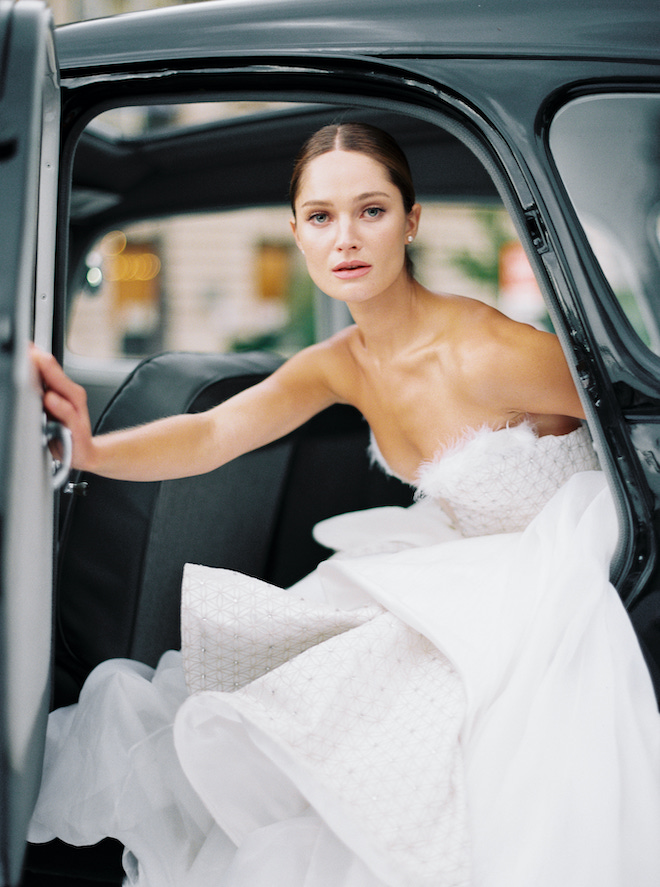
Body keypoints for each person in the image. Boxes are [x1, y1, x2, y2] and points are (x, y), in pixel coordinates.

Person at [30, 123, 660, 887]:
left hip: (548, 568)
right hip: (451, 560)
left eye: (372, 210)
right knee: (275, 694)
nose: (346, 238)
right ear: (296, 233)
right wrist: (89, 450)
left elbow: (637, 418)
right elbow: (214, 430)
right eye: (322, 217)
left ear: (411, 220)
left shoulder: (490, 351)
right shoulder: (343, 363)